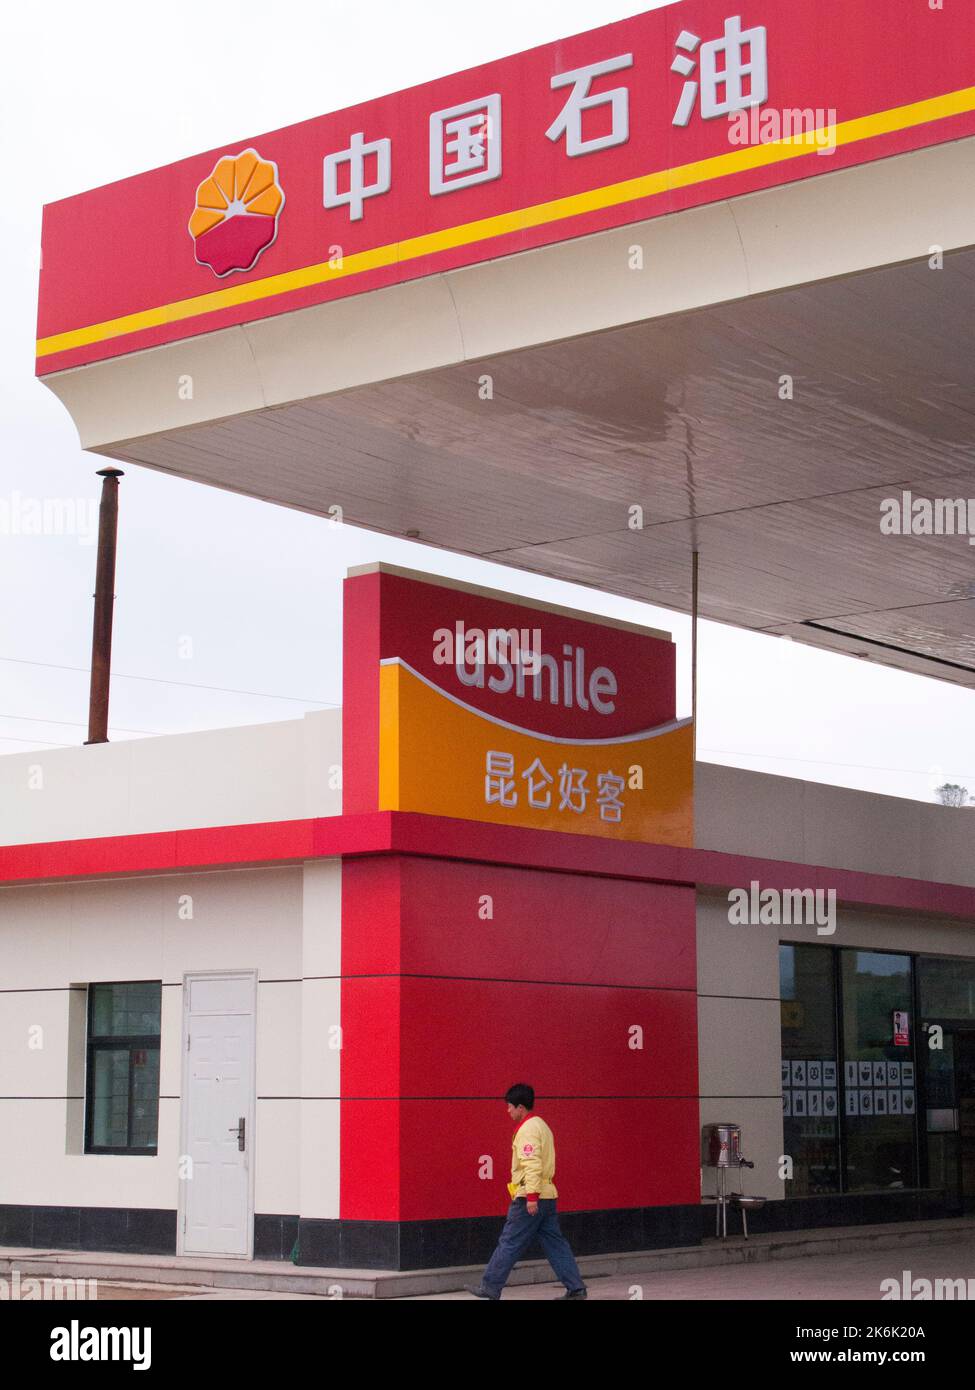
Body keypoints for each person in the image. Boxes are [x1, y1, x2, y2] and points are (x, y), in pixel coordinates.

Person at [466, 1083, 587, 1300]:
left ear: (521, 1107)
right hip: (548, 1196)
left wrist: (531, 1197)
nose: (508, 1111)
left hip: (530, 1198)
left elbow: (532, 1164)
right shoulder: (542, 1126)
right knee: (555, 1243)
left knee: (509, 1241)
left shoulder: (527, 1130)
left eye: (510, 1107)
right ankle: (576, 1288)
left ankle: (490, 1287)